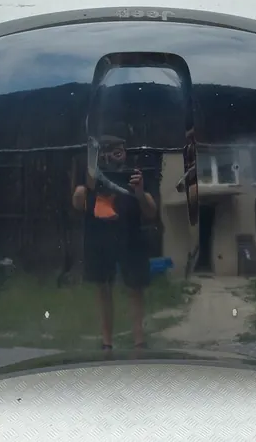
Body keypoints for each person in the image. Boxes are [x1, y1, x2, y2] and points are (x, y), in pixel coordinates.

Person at [72, 138, 157, 351]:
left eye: (118, 152)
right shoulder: (92, 175)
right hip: (99, 236)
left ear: (125, 153)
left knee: (135, 287)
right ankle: (107, 342)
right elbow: (78, 204)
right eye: (106, 153)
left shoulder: (133, 175)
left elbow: (151, 212)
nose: (111, 157)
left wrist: (140, 194)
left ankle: (139, 340)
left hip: (130, 235)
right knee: (103, 287)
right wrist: (86, 188)